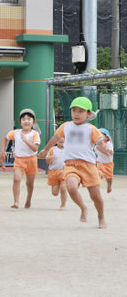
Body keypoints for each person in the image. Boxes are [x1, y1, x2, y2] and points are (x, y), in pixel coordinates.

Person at [39, 96, 109, 229]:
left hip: (88, 166)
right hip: (71, 165)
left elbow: (100, 143)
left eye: (81, 111)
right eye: (74, 110)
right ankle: (83, 208)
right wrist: (45, 150)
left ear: (88, 114)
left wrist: (105, 149)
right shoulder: (65, 126)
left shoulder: (91, 129)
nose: (76, 114)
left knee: (96, 196)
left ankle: (101, 217)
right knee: (70, 187)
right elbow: (55, 138)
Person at [0, 109, 40, 209]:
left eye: (29, 119)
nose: (26, 121)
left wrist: (26, 140)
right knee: (16, 179)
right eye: (23, 119)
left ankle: (28, 199)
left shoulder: (35, 134)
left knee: (29, 183)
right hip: (19, 159)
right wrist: (3, 151)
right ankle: (16, 202)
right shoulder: (16, 133)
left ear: (33, 122)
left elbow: (35, 148)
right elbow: (5, 138)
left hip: (31, 159)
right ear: (20, 122)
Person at [46, 138, 67, 210]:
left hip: (64, 171)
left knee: (63, 188)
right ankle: (57, 193)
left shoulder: (68, 149)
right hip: (54, 172)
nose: (62, 143)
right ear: (56, 142)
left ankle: (63, 205)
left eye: (63, 141)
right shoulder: (52, 149)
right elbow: (47, 161)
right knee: (55, 193)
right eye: (60, 141)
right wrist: (50, 158)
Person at [95, 128, 114, 193]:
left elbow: (110, 153)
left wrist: (102, 149)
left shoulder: (109, 144)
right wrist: (101, 149)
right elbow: (97, 154)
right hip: (100, 163)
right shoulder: (96, 146)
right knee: (99, 174)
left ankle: (109, 186)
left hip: (108, 164)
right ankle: (97, 188)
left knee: (109, 179)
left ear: (107, 137)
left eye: (101, 135)